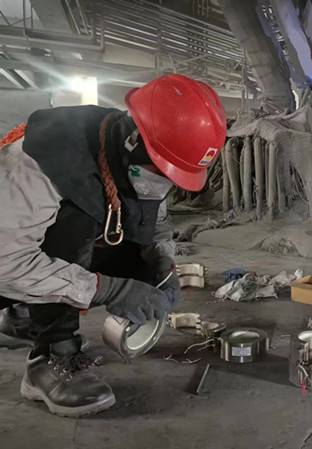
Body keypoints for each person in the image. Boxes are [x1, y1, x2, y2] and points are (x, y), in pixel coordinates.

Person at [0, 74, 227, 416]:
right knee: (74, 220)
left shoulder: (134, 160)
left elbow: (154, 223)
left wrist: (162, 265)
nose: (163, 184)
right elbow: (7, 261)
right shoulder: (43, 159)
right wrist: (111, 290)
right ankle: (51, 358)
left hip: (18, 252)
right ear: (134, 140)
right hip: (6, 259)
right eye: (162, 172)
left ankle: (22, 317)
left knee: (134, 246)